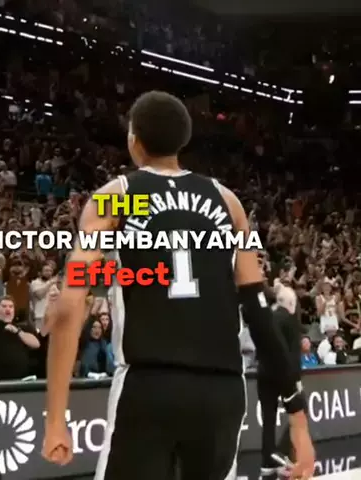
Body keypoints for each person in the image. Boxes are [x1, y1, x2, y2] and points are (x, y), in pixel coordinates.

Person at [42, 91, 315, 480]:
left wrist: (56, 417)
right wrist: (298, 420)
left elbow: (71, 304)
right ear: (182, 141)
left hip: (149, 385)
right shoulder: (228, 203)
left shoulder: (119, 197)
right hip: (222, 392)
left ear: (134, 139)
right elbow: (258, 311)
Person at [258, 283, 303, 477]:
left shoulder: (268, 316)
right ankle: (283, 454)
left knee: (268, 418)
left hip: (263, 372)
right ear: (291, 303)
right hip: (283, 374)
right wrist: (297, 380)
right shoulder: (290, 320)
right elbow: (293, 354)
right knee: (300, 411)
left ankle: (268, 461)